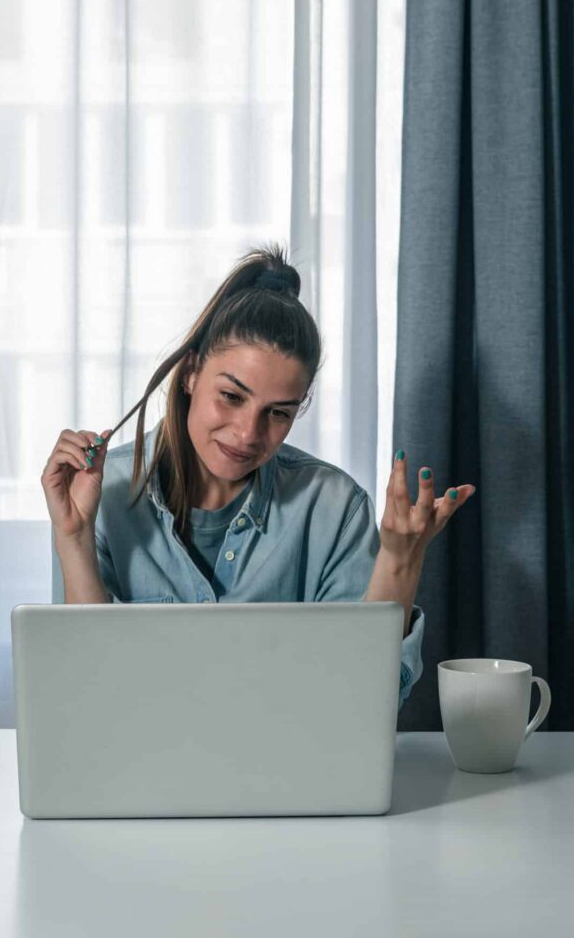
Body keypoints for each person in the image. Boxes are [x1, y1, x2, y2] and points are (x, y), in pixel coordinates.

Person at [41, 245, 474, 703]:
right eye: (231, 396)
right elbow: (90, 692)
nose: (248, 434)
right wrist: (73, 537)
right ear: (190, 374)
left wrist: (400, 560)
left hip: (293, 773)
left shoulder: (334, 509)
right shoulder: (99, 494)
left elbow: (363, 702)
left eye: (278, 413)